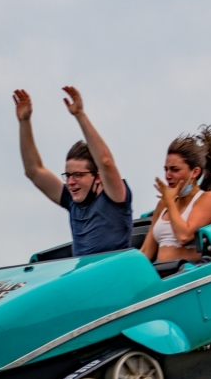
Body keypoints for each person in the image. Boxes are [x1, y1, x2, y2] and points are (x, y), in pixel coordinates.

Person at [13, 86, 133, 257]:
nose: (70, 182)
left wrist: (79, 114)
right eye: (68, 176)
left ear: (97, 177)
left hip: (113, 276)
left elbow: (106, 162)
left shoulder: (115, 196)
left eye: (78, 175)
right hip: (83, 277)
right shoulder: (72, 200)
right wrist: (24, 122)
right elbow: (34, 171)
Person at [140, 126, 211, 264]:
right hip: (160, 276)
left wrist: (169, 202)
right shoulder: (163, 204)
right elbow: (146, 252)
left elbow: (184, 236)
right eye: (166, 169)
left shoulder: (207, 199)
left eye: (174, 170)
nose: (167, 175)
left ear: (195, 172)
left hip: (185, 273)